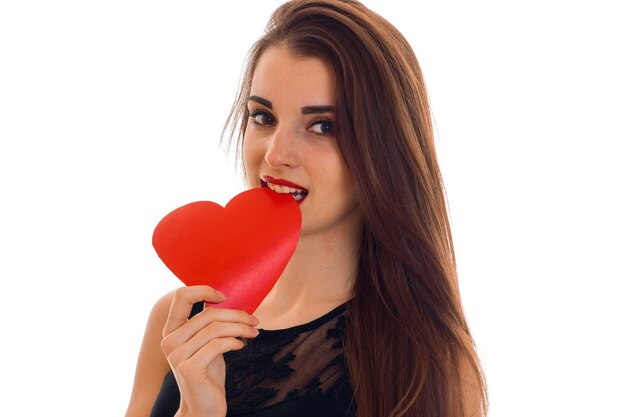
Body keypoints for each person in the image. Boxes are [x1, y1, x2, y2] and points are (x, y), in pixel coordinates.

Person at [125, 1, 487, 416]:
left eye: (322, 126)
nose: (276, 154)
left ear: (383, 151)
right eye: (263, 117)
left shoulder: (427, 361)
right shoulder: (179, 321)